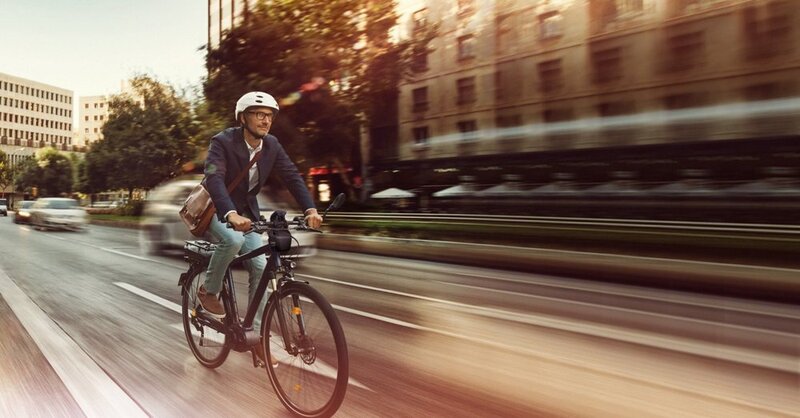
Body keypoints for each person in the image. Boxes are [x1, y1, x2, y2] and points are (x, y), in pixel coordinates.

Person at [199, 91, 322, 337]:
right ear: (243, 118)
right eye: (259, 114)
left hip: (247, 214)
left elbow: (292, 176)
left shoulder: (272, 145)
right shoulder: (222, 141)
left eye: (269, 116)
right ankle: (208, 291)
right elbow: (214, 177)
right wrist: (230, 213)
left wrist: (310, 209)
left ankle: (255, 334)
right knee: (232, 240)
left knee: (260, 266)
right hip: (217, 208)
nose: (265, 120)